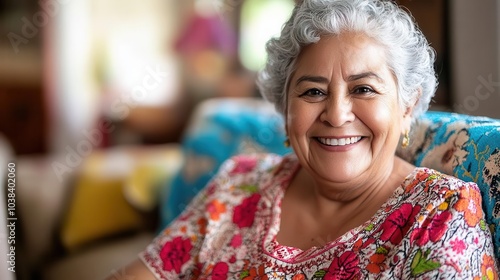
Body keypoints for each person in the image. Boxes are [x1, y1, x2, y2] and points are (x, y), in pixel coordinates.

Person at [110, 0, 499, 278]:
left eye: (363, 89)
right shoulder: (237, 183)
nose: (336, 114)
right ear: (285, 109)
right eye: (313, 92)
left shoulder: (442, 212)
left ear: (406, 107)